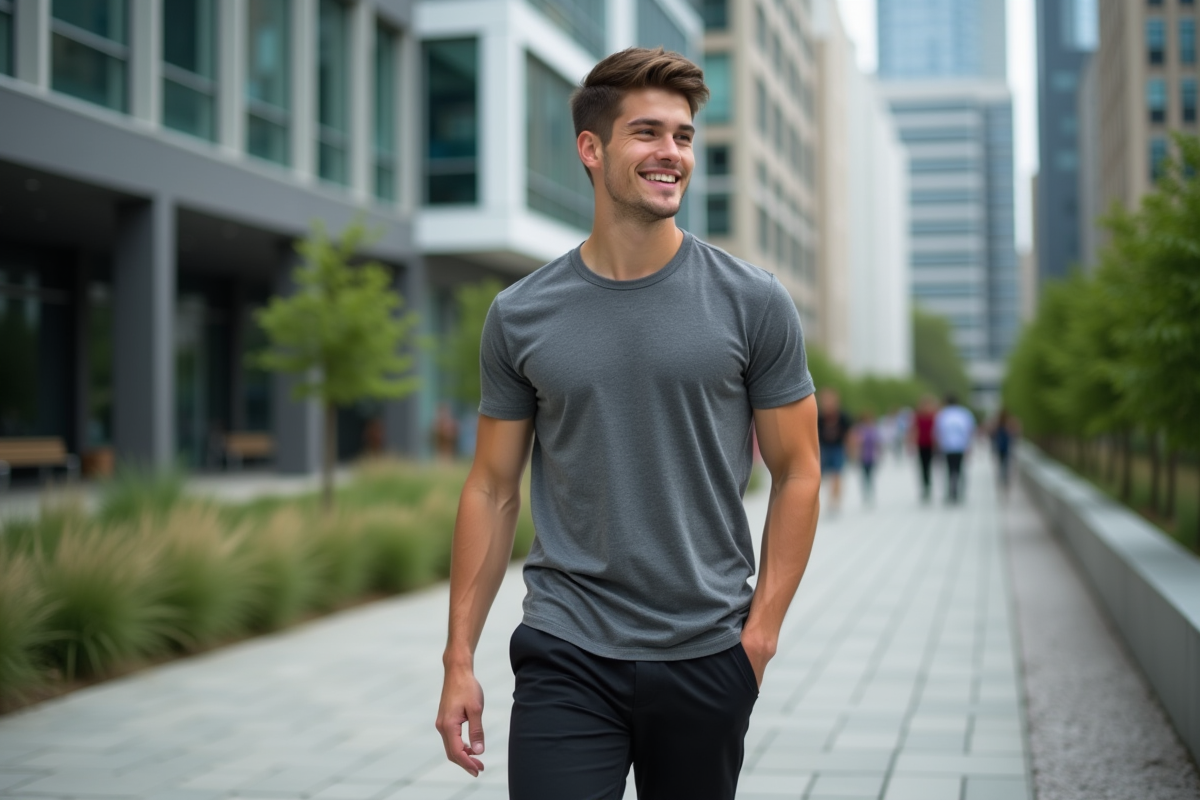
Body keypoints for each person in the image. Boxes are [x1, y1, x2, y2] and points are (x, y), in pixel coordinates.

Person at [434, 47, 822, 800]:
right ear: (592, 148)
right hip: (566, 646)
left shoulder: (753, 301)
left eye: (682, 136)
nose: (670, 153)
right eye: (647, 133)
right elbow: (491, 488)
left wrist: (760, 636)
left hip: (707, 652)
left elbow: (800, 470)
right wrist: (458, 659)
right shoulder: (521, 315)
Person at [934, 393, 976, 503]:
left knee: (949, 470)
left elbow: (938, 432)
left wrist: (938, 446)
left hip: (947, 447)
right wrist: (969, 446)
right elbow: (970, 431)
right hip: (961, 446)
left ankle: (951, 492)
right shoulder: (965, 413)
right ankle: (959, 492)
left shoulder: (942, 414)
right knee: (960, 469)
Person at [817, 388, 853, 513]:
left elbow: (850, 434)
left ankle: (834, 503)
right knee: (819, 477)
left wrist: (852, 450)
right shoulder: (819, 417)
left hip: (838, 448)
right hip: (823, 448)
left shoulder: (843, 416)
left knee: (836, 475)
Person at [909, 395, 938, 502]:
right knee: (922, 466)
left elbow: (936, 430)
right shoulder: (917, 416)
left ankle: (928, 485)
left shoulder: (934, 416)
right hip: (921, 444)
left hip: (930, 444)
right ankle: (925, 487)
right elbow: (914, 430)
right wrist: (911, 443)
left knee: (929, 466)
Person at [853, 411, 881, 505]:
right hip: (863, 456)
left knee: (871, 476)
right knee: (864, 476)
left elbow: (877, 443)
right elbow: (856, 443)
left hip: (872, 456)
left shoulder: (873, 429)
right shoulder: (860, 430)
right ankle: (865, 493)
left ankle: (870, 493)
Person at [991, 408, 1017, 492]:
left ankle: (1001, 476)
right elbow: (1014, 432)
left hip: (999, 446)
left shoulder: (998, 423)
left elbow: (993, 433)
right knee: (1006, 462)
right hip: (1006, 446)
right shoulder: (1008, 423)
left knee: (1001, 461)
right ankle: (1004, 477)